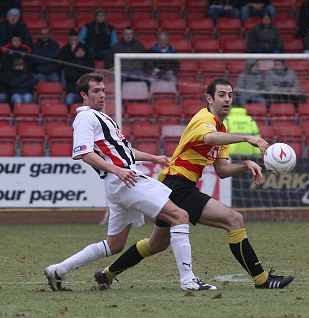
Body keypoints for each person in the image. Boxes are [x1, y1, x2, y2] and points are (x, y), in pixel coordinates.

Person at [93, 78, 294, 290]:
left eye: (230, 95)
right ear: (209, 98)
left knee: (156, 244)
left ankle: (108, 273)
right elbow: (209, 138)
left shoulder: (221, 128)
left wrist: (246, 164)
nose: (227, 99)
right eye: (222, 95)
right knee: (234, 220)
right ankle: (261, 279)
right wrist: (247, 138)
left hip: (176, 187)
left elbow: (222, 170)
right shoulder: (203, 118)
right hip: (178, 185)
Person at [44, 73, 216, 292]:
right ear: (83, 95)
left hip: (120, 181)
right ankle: (188, 280)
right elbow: (84, 153)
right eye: (96, 91)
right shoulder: (86, 118)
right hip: (125, 180)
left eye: (103, 90)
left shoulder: (102, 118)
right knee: (180, 216)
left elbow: (123, 151)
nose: (102, 95)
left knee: (114, 245)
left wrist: (153, 158)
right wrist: (117, 170)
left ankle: (58, 270)